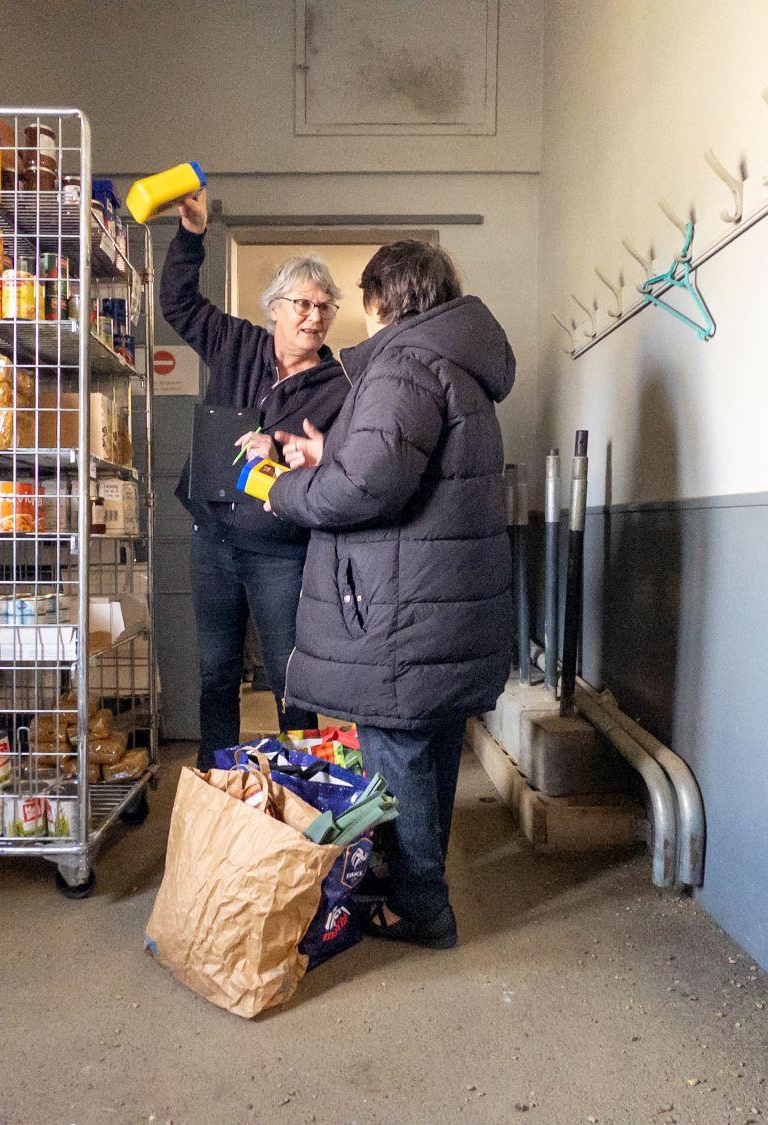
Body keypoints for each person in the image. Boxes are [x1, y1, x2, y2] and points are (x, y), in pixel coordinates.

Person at [265, 240, 515, 949]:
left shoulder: (404, 363)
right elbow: (397, 460)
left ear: (383, 300)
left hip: (404, 607)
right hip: (441, 599)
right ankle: (417, 882)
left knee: (397, 748)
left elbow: (368, 486)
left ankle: (423, 905)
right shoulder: (455, 363)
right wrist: (329, 452)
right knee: (428, 741)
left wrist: (288, 488)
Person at [160, 189, 352, 771]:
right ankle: (219, 782)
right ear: (273, 307)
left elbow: (342, 461)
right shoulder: (236, 343)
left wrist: (291, 451)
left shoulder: (340, 384)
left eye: (324, 307)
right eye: (302, 304)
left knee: (289, 676)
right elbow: (177, 302)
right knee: (216, 672)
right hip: (214, 542)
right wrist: (191, 236)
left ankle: (301, 785)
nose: (313, 316)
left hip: (280, 553)